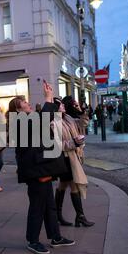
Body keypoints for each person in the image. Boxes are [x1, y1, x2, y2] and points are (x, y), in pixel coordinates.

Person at [7, 81, 75, 254]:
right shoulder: (19, 123)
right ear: (18, 111)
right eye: (25, 104)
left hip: (41, 168)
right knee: (37, 206)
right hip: (35, 171)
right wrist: (47, 98)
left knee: (49, 206)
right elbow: (42, 122)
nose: (29, 104)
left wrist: (50, 99)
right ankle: (32, 240)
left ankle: (55, 237)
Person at [55, 96, 94, 228]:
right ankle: (80, 216)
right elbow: (56, 144)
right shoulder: (53, 123)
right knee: (75, 185)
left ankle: (57, 215)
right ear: (56, 108)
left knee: (63, 186)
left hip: (73, 156)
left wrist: (81, 111)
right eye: (60, 105)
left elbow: (83, 124)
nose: (64, 106)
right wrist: (74, 142)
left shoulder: (68, 118)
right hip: (64, 159)